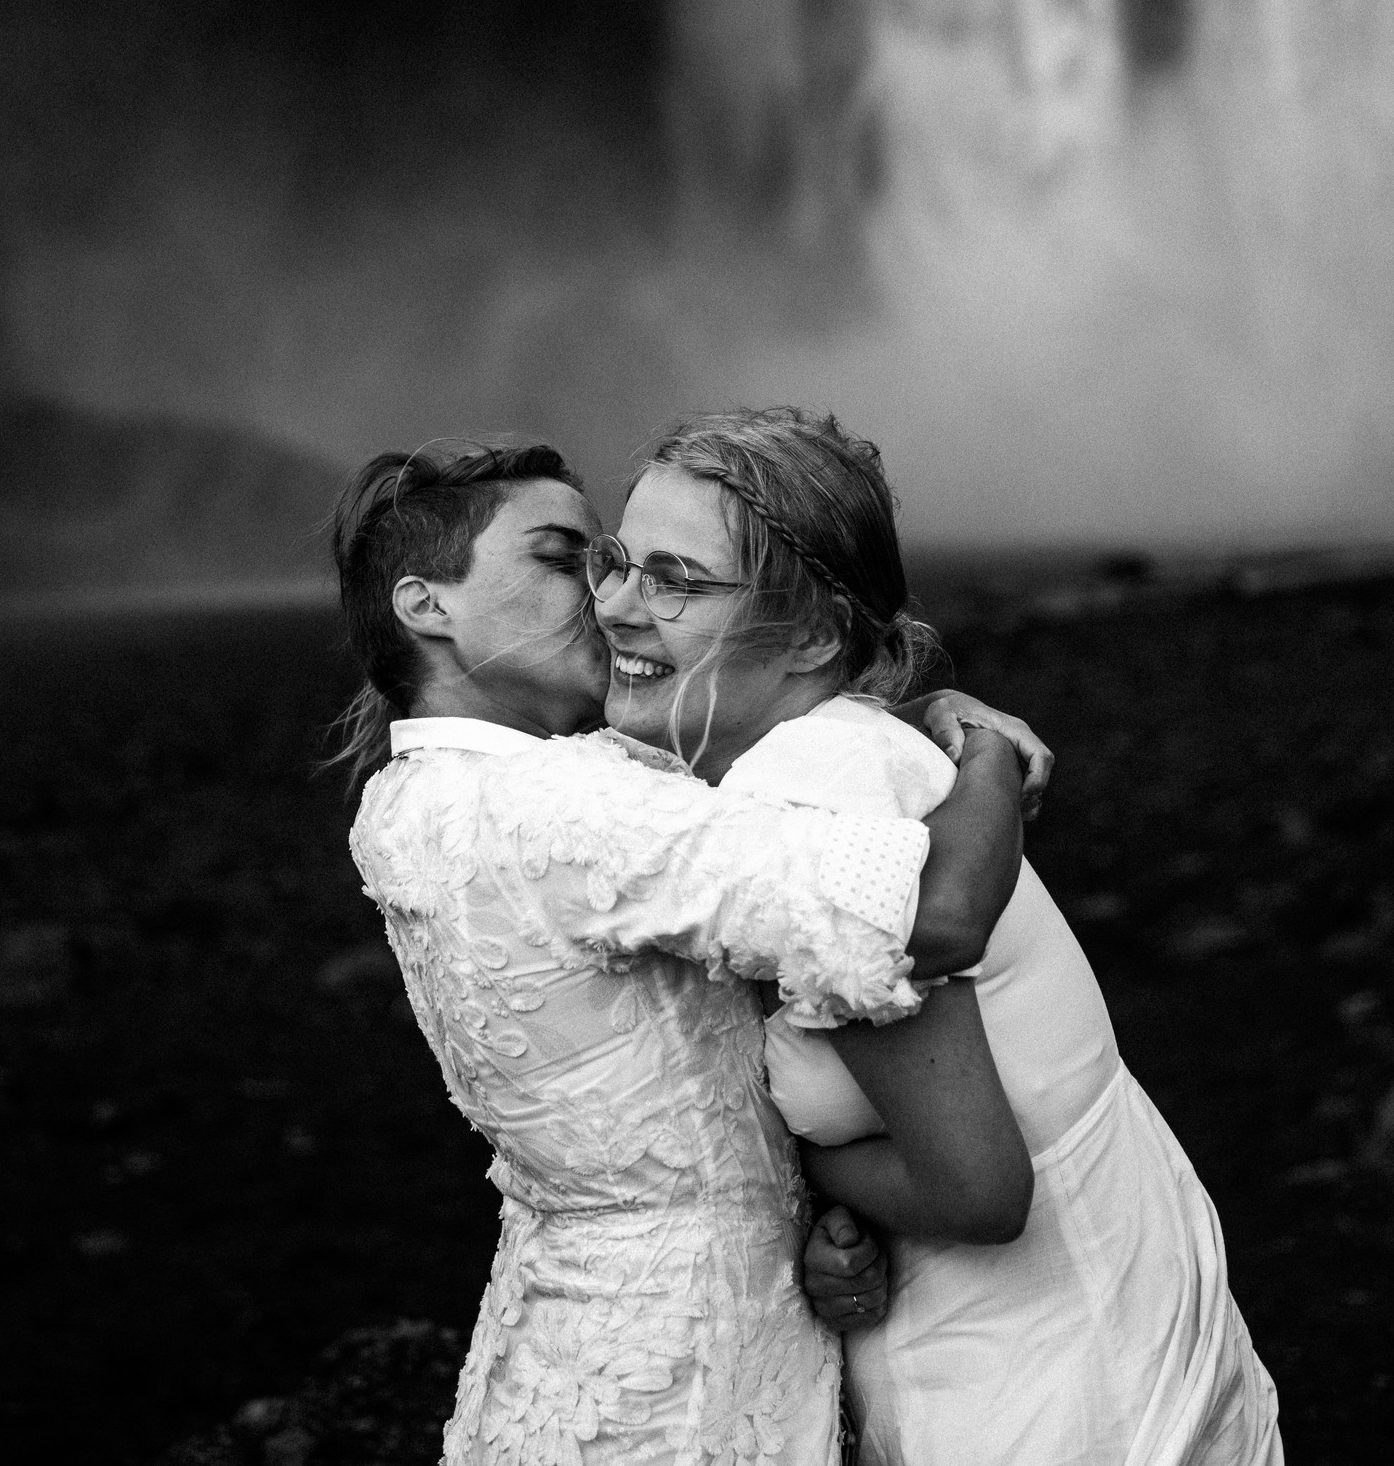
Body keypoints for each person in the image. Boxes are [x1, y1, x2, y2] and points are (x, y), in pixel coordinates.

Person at [590, 407, 1283, 1466]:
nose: (617, 608)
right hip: (1078, 1323)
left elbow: (976, 1191)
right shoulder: (830, 755)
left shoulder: (813, 792)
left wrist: (810, 1185)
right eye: (615, 563)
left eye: (675, 580)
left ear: (816, 635)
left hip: (1045, 1388)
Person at [332, 439, 1040, 1465]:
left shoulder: (407, 802)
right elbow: (928, 920)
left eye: (609, 557)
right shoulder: (559, 809)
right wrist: (983, 751)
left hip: (566, 1333)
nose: (605, 592)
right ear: (425, 606)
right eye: (559, 555)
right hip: (686, 1374)